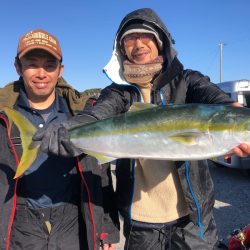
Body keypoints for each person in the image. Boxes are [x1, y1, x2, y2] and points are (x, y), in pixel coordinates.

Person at [35, 8, 250, 250]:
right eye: (129, 38)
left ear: (160, 42)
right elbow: (97, 114)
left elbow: (216, 100)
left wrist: (231, 108)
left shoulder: (188, 81)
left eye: (146, 36)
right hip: (141, 227)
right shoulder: (118, 93)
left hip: (193, 221)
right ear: (121, 48)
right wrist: (70, 129)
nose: (138, 44)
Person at [0, 28, 119, 250]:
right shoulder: (3, 117)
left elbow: (100, 173)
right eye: (32, 64)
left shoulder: (82, 115)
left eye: (49, 65)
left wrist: (107, 229)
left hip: (73, 223)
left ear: (60, 69)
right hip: (20, 226)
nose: (41, 73)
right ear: (18, 67)